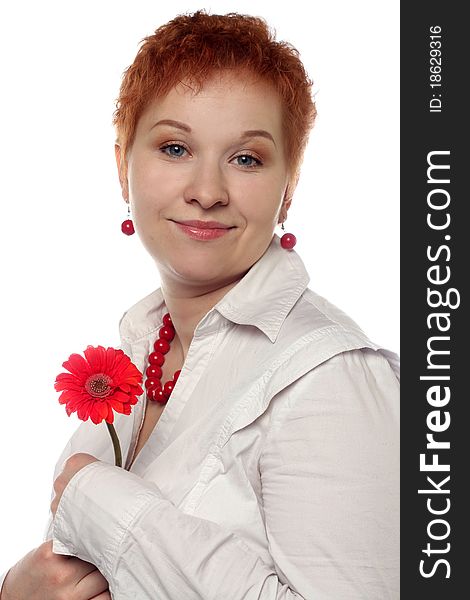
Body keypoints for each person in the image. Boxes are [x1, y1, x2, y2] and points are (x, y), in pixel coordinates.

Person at [0, 9, 399, 600]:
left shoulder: (330, 379)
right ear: (122, 168)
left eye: (246, 158)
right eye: (175, 147)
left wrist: (100, 503)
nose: (208, 192)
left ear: (289, 185)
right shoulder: (138, 352)